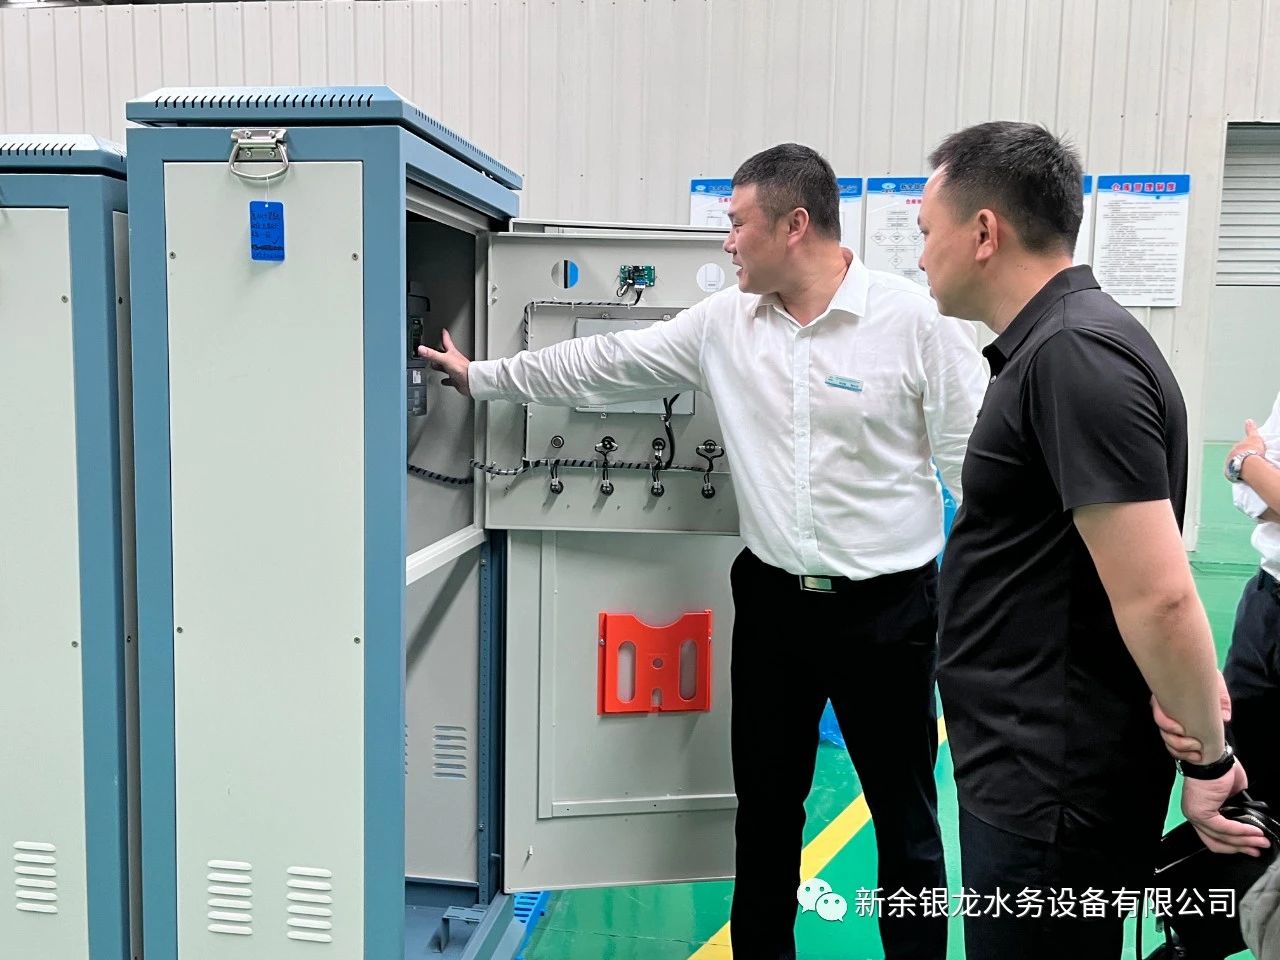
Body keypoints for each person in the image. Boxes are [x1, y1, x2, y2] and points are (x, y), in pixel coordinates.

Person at [422, 143, 987, 960]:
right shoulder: (725, 324)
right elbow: (607, 362)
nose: (725, 241)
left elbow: (977, 473)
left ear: (794, 226)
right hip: (774, 607)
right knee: (765, 813)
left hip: (890, 613)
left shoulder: (914, 322)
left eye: (737, 222)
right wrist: (483, 377)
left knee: (906, 824)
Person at [916, 120, 1271, 960]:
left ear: (984, 232)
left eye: (927, 232)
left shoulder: (1075, 355)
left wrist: (1208, 762)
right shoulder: (1058, 346)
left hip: (1051, 786)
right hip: (1033, 766)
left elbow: (1159, 594)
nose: (920, 255)